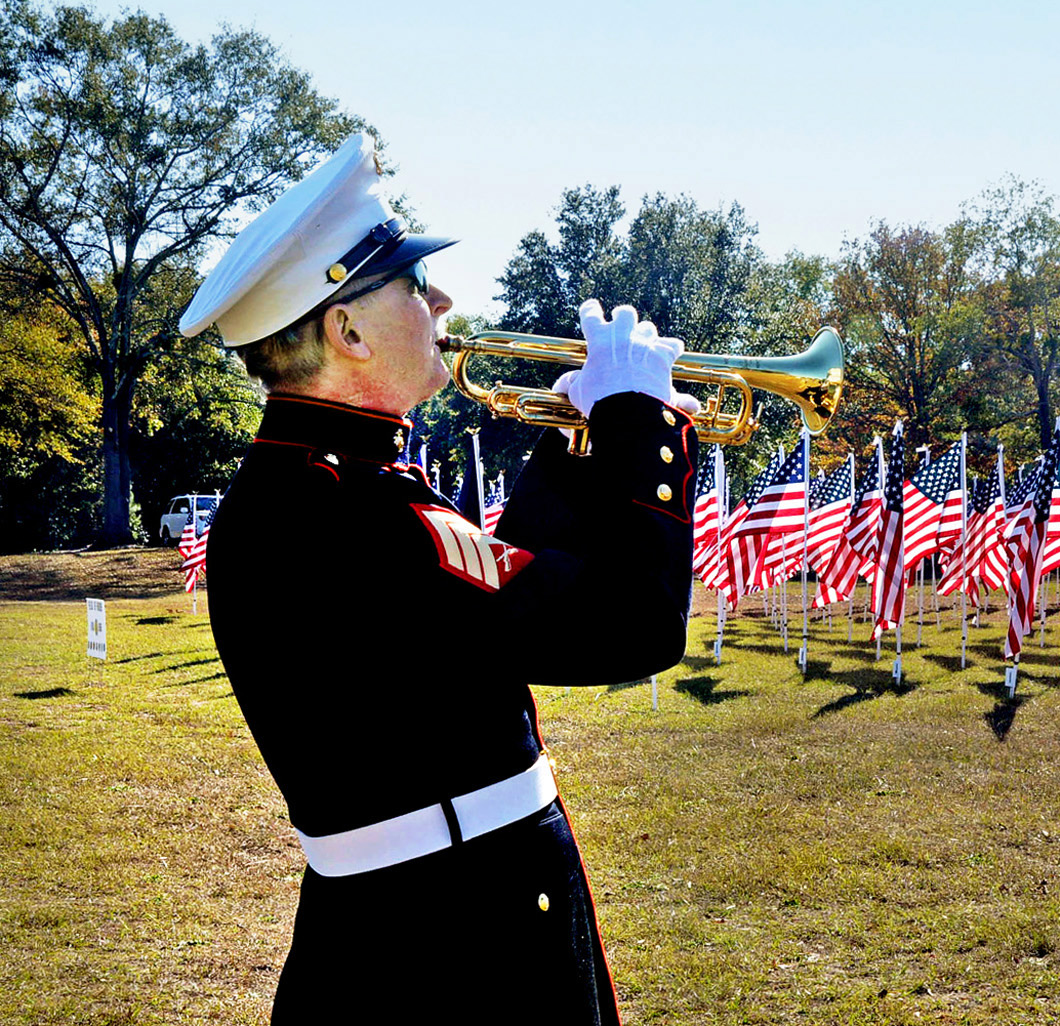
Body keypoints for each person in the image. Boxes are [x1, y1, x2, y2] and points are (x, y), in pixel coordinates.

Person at [179, 133, 698, 1024]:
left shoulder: (309, 487)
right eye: (413, 284)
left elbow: (501, 614)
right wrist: (639, 430)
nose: (443, 299)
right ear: (346, 330)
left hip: (403, 926)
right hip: (462, 943)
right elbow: (630, 622)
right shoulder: (357, 511)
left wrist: (575, 447)